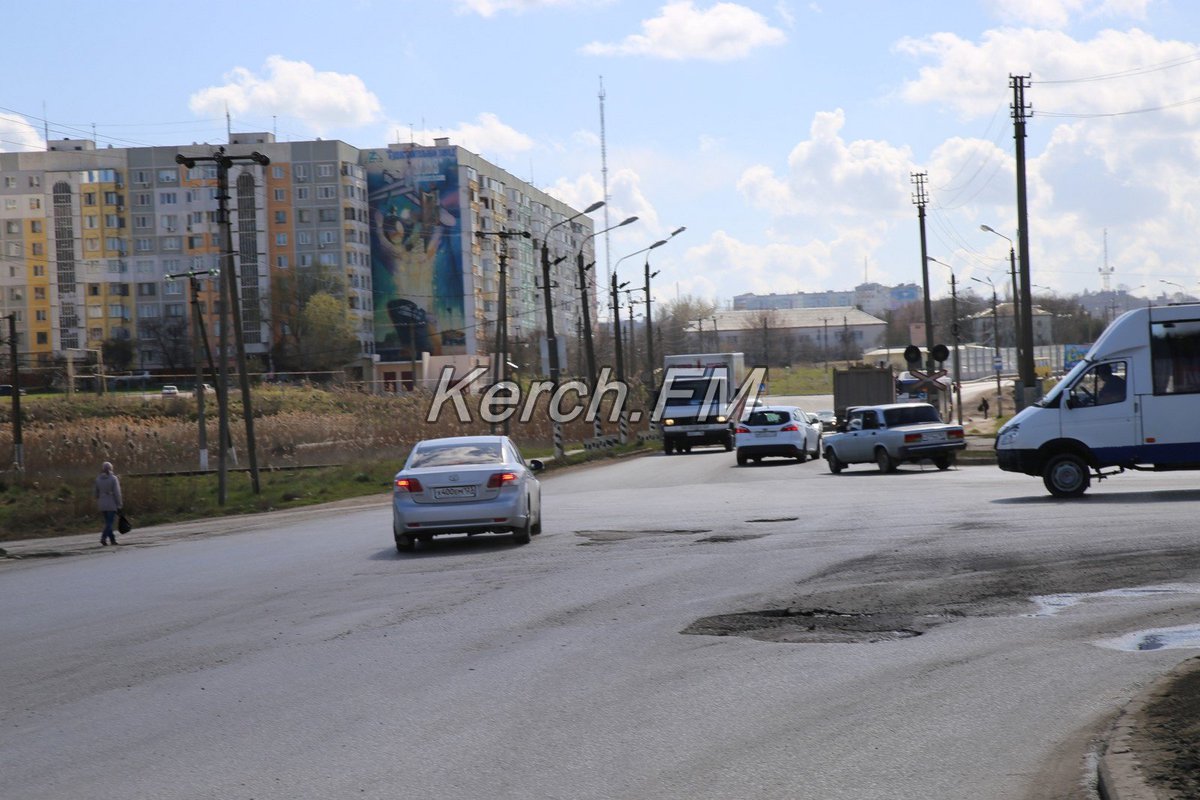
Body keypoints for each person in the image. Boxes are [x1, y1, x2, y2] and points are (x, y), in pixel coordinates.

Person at [94, 461, 123, 546]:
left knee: (107, 522)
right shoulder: (113, 478)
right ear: (111, 468)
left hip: (102, 503)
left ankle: (113, 540)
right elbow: (117, 493)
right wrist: (119, 504)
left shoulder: (98, 479)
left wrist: (100, 498)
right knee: (110, 523)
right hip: (111, 502)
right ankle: (103, 537)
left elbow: (95, 493)